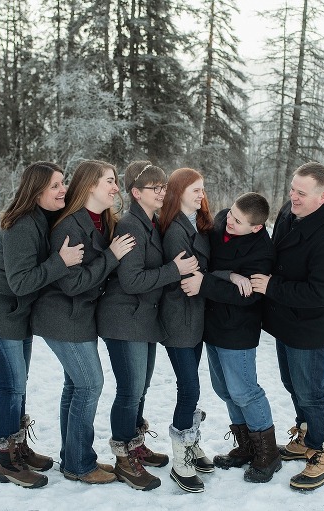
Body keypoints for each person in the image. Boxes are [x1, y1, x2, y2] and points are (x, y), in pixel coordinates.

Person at [0, 161, 85, 489]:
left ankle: (18, 448)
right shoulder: (21, 225)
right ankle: (7, 463)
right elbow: (20, 282)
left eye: (63, 183)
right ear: (36, 191)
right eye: (55, 185)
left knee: (19, 385)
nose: (63, 189)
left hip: (16, 316)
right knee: (11, 386)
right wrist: (61, 262)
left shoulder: (43, 219)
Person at [31, 160, 135, 485]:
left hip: (82, 316)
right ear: (90, 185)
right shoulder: (69, 226)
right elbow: (72, 284)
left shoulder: (104, 221)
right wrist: (112, 256)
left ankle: (73, 458)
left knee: (76, 386)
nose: (116, 187)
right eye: (109, 181)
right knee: (90, 384)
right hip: (63, 315)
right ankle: (79, 464)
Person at [97, 161, 199, 491]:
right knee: (129, 390)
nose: (162, 192)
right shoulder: (131, 225)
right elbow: (131, 280)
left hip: (143, 319)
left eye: (164, 187)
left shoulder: (151, 222)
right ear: (136, 193)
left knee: (139, 388)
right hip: (124, 318)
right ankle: (124, 458)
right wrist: (174, 270)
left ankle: (135, 444)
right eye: (155, 188)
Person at [250, 162, 324, 491]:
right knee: (292, 384)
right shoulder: (289, 212)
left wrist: (271, 286)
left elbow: (321, 294)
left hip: (311, 328)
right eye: (292, 189)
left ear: (322, 197)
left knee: (311, 392)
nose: (293, 196)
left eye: (301, 193)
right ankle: (306, 435)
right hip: (287, 322)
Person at [180, 192, 280, 484]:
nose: (229, 221)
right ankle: (246, 446)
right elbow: (210, 263)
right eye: (231, 214)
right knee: (224, 389)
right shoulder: (224, 218)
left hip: (238, 329)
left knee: (244, 391)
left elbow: (248, 296)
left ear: (256, 227)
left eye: (238, 221)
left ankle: (268, 454)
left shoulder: (263, 251)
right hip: (213, 324)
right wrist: (230, 274)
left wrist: (205, 283)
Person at [157, 168, 215, 493]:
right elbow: (185, 276)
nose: (201, 195)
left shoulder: (198, 224)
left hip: (196, 317)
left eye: (202, 189)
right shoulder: (175, 231)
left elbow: (202, 271)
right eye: (195, 190)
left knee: (191, 387)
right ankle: (181, 460)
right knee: (189, 389)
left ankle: (190, 443)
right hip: (178, 319)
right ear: (178, 192)